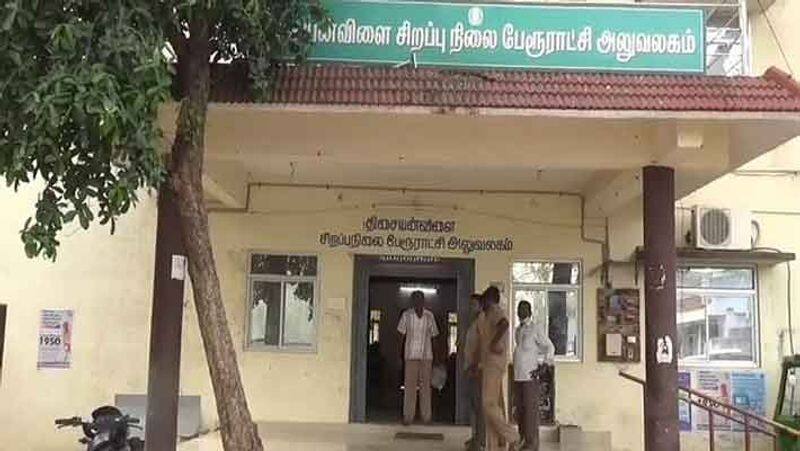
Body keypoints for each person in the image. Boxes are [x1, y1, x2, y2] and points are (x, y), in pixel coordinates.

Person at [474, 286, 523, 451]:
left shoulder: (495, 310)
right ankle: (493, 446)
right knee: (492, 406)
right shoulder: (485, 316)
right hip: (489, 363)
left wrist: (495, 343)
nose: (481, 303)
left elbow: (504, 324)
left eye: (484, 300)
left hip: (495, 363)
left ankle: (513, 436)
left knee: (488, 404)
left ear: (490, 300)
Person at [513, 301, 555, 451]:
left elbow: (549, 347)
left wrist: (544, 365)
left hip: (530, 376)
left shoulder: (535, 328)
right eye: (518, 309)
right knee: (520, 411)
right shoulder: (518, 330)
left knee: (531, 412)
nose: (520, 311)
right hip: (518, 375)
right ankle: (523, 440)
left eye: (523, 309)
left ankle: (532, 444)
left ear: (529, 311)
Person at [397, 290, 439, 425]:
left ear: (424, 301)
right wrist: (399, 355)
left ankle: (426, 417)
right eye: (415, 299)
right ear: (412, 301)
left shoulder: (429, 316)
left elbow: (434, 337)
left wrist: (437, 357)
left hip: (426, 356)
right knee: (409, 387)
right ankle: (408, 417)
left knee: (426, 387)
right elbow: (400, 336)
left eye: (420, 299)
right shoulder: (406, 315)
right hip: (410, 356)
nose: (418, 302)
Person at [463, 294, 485, 451]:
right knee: (473, 406)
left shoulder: (483, 322)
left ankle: (480, 441)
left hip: (477, 370)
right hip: (470, 368)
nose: (471, 307)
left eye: (474, 304)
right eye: (470, 304)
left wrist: (475, 366)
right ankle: (475, 437)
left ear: (481, 305)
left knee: (479, 407)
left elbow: (482, 346)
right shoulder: (473, 322)